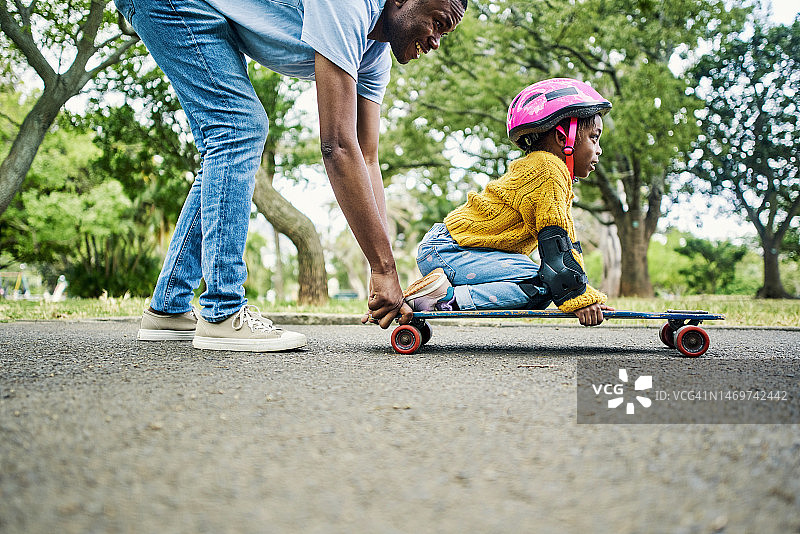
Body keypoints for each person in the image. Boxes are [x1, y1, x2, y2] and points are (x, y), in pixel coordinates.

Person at [118, 0, 468, 351]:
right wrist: (383, 269)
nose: (437, 41)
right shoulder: (350, 7)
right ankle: (222, 313)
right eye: (437, 23)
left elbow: (366, 158)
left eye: (446, 32)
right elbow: (337, 146)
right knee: (238, 126)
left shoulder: (373, 57)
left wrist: (380, 270)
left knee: (231, 134)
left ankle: (168, 308)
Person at [403, 78, 614, 326]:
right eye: (594, 137)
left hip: (451, 249)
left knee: (544, 282)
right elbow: (556, 251)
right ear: (561, 137)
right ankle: (444, 298)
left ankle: (438, 292)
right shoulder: (548, 169)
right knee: (542, 284)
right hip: (452, 250)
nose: (599, 149)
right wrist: (577, 295)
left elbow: (565, 244)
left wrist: (583, 291)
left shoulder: (546, 169)